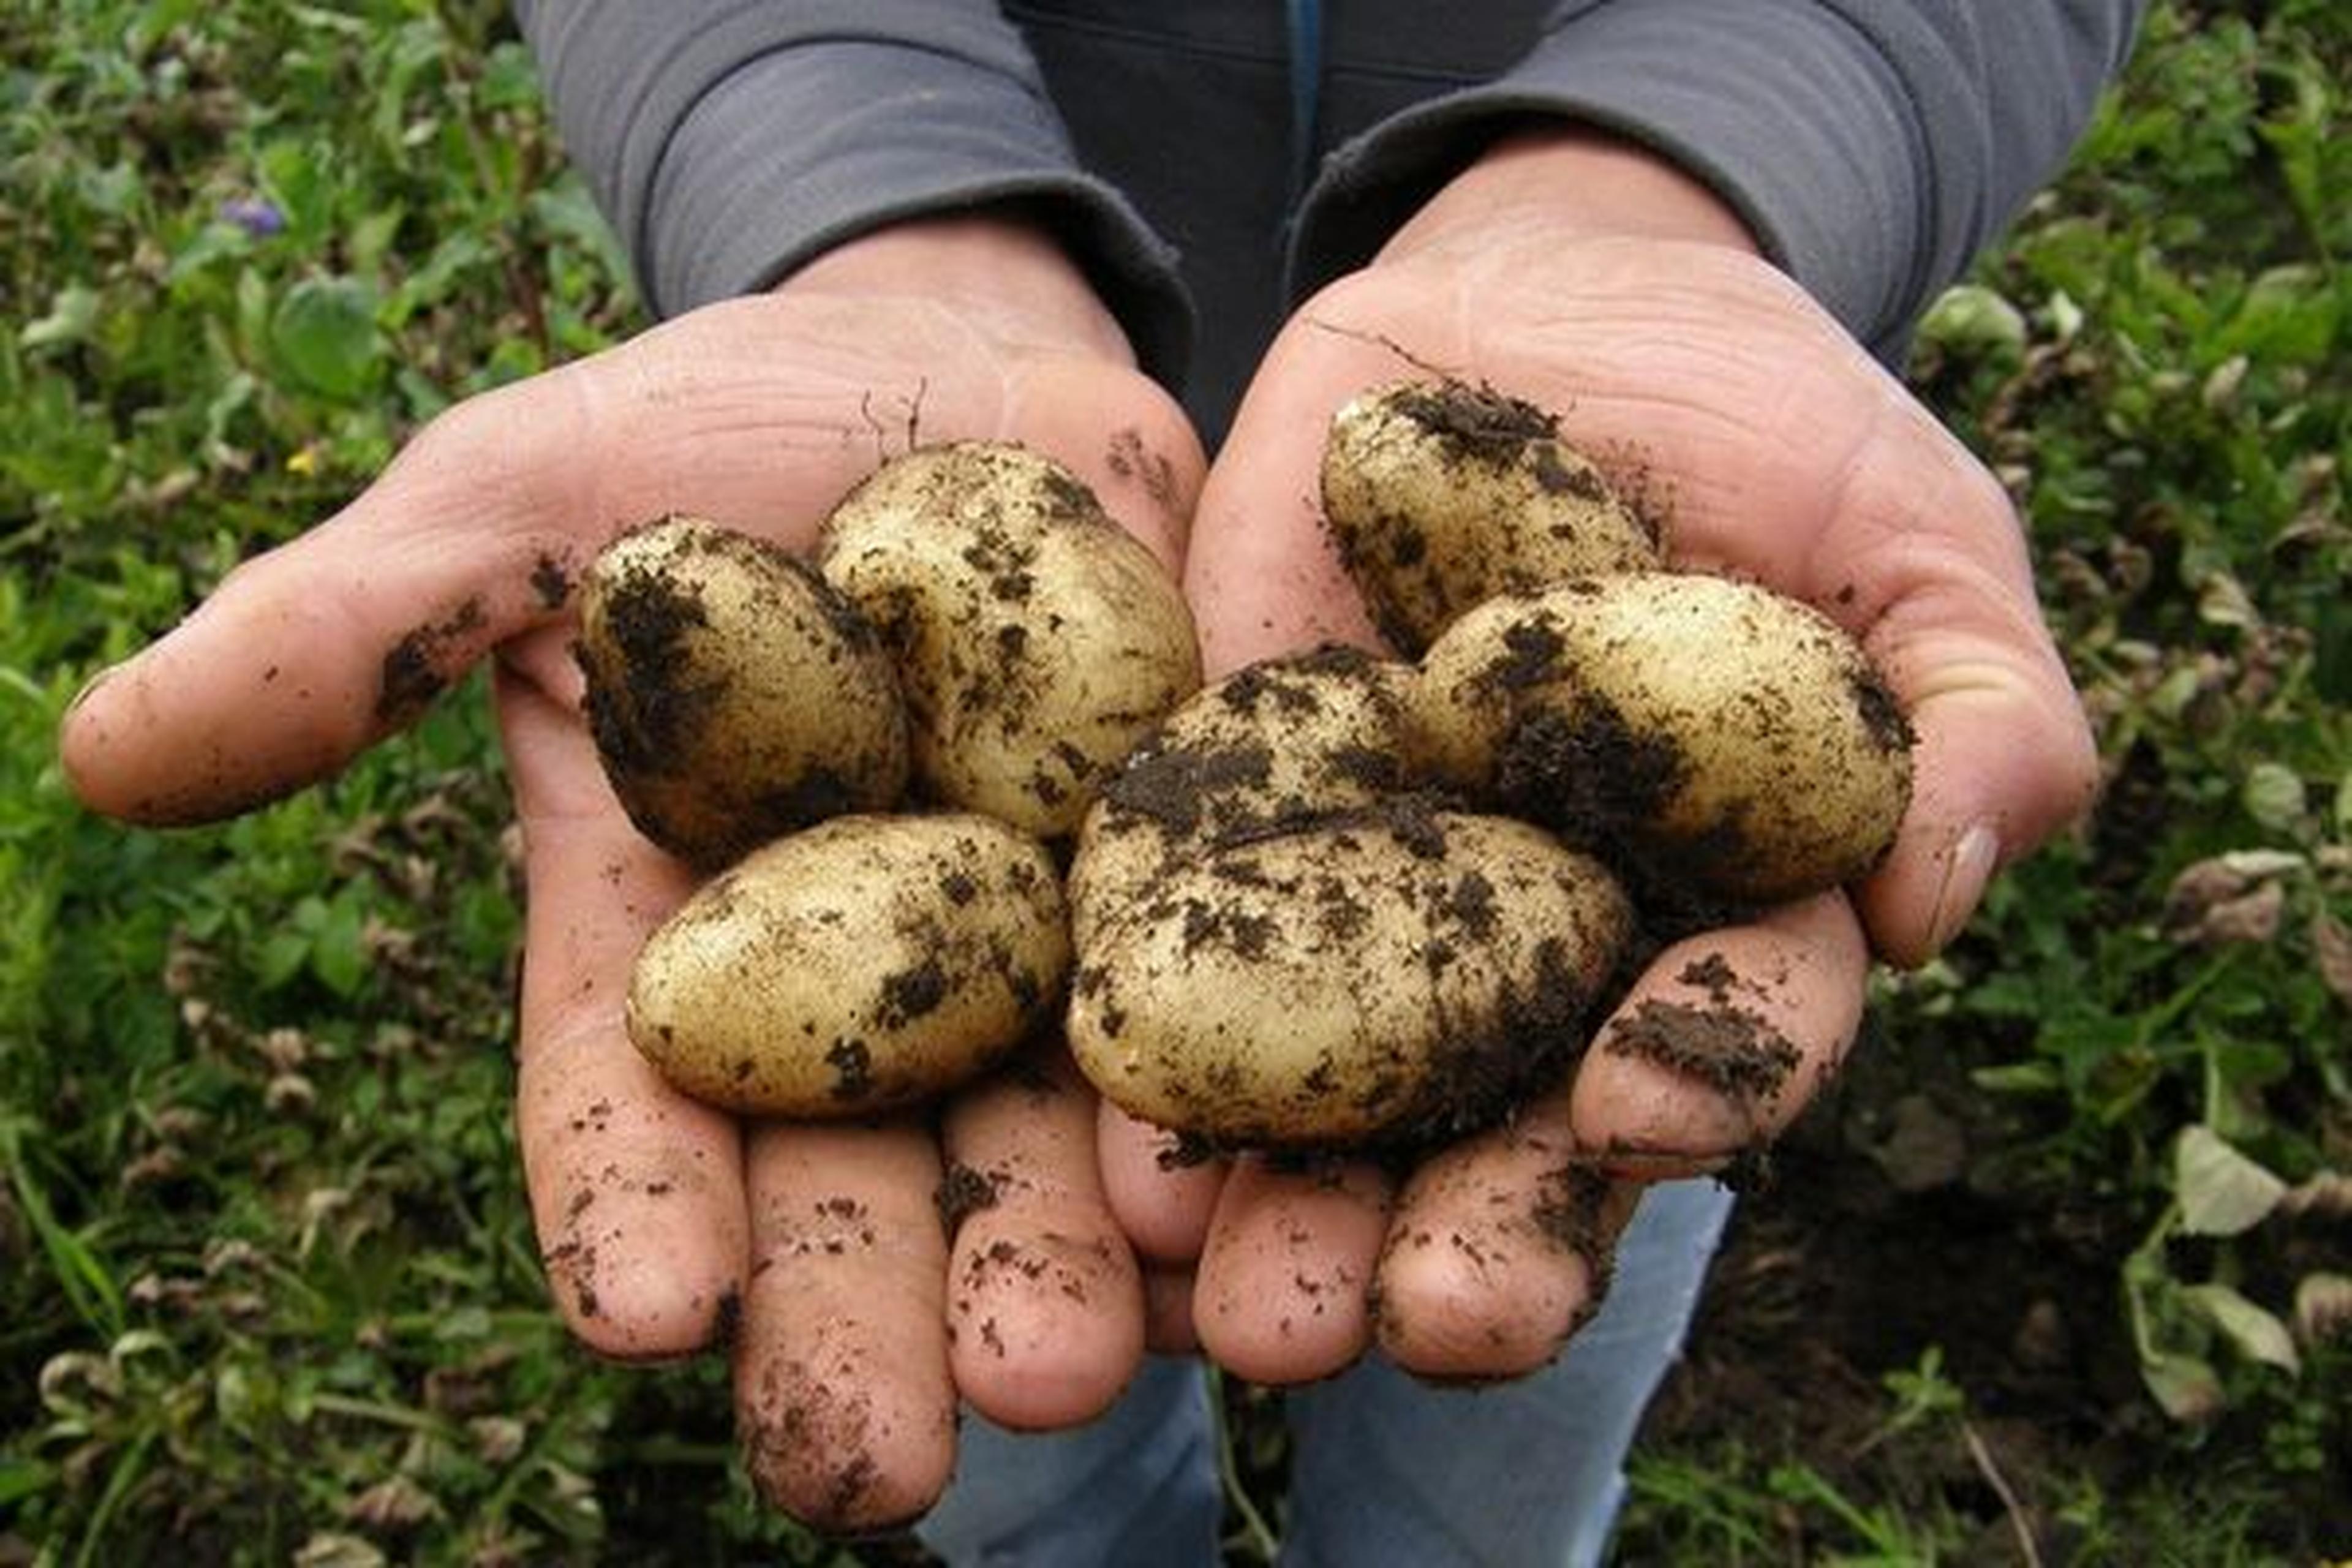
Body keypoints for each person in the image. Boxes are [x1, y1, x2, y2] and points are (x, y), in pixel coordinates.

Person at [61, 3, 2139, 1561]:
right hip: (985, 352)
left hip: (1634, 457)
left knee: (1534, 1308)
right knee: (1012, 1402)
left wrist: (1682, 171)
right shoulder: (1046, 791)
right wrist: (863, 195)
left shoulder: (1495, 699)